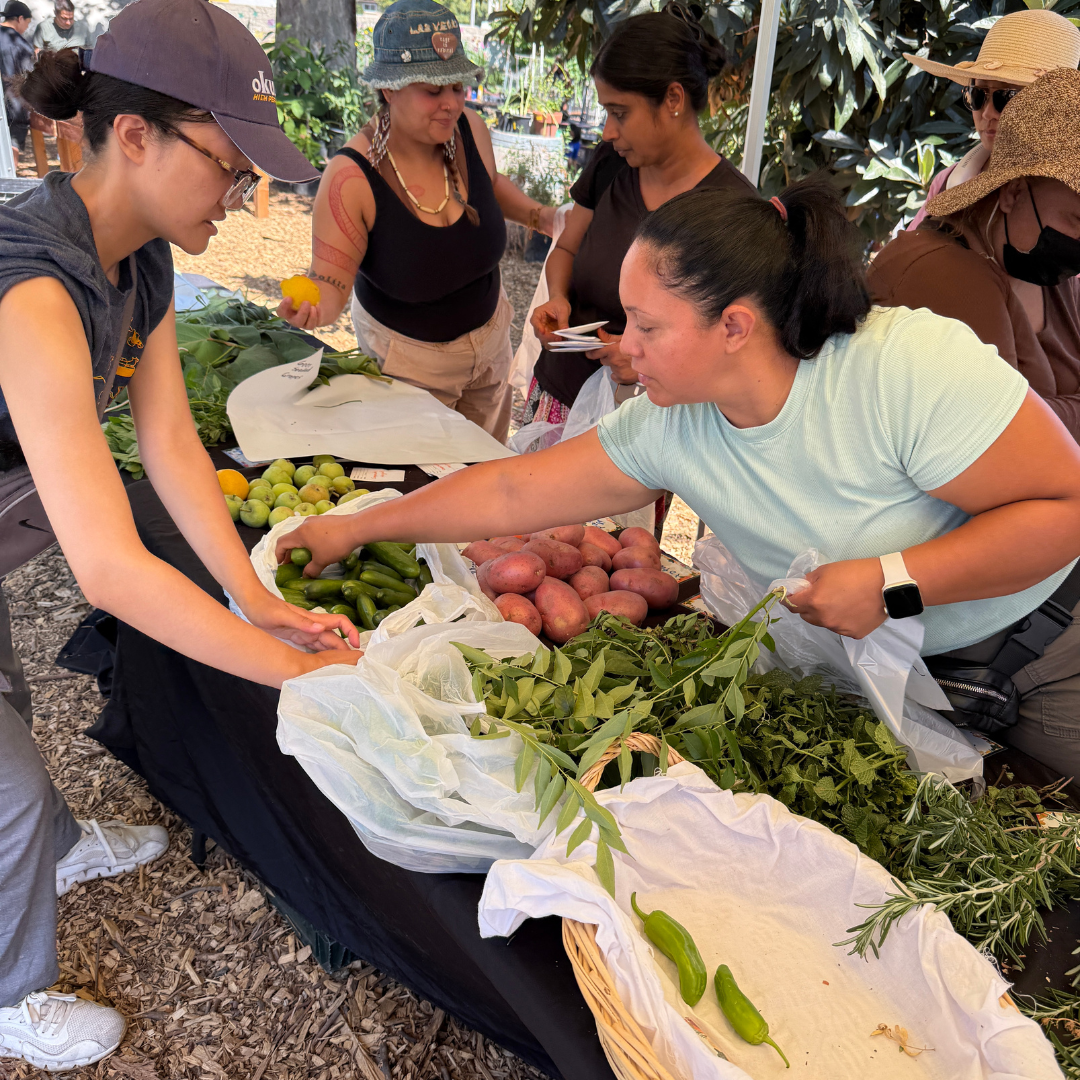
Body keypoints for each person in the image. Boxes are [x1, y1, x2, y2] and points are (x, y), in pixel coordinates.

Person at [278, 174, 1080, 779]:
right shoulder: (673, 422)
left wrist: (895, 581)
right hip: (901, 674)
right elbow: (513, 489)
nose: (624, 348)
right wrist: (358, 525)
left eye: (648, 327)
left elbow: (1066, 507)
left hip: (1043, 648)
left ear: (735, 326)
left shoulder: (901, 367)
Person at [0, 0, 363, 1069]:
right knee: (6, 789)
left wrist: (262, 603)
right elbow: (109, 569)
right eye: (228, 161)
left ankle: (57, 853)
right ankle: (12, 997)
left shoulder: (142, 261)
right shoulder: (32, 285)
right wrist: (283, 672)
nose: (243, 192)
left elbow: (171, 449)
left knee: (10, 701)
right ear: (137, 135)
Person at [277, 0, 556, 445]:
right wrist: (312, 310)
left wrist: (542, 216)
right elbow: (330, 281)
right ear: (389, 90)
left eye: (457, 86)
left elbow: (490, 183)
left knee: (484, 475)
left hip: (490, 341)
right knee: (424, 488)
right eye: (432, 90)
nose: (451, 104)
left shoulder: (469, 129)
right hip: (409, 364)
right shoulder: (352, 178)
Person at [525, 1, 755, 423]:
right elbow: (567, 249)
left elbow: (733, 343)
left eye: (620, 113)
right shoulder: (610, 163)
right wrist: (558, 297)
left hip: (646, 425)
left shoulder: (731, 209)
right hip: (560, 395)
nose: (608, 131)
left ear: (673, 99)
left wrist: (645, 360)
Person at [869, 68, 1080, 442]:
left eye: (1007, 97)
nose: (989, 113)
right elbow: (1016, 440)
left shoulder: (1045, 274)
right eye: (1076, 219)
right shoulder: (943, 272)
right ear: (1012, 192)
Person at [905, 8, 1079, 231]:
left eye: (1007, 98)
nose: (987, 113)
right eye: (977, 95)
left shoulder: (1069, 199)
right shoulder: (946, 182)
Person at [0, 1, 33, 165]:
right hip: (14, 108)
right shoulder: (21, 46)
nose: (27, 28)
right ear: (20, 19)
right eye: (27, 23)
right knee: (12, 148)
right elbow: (30, 77)